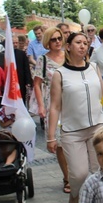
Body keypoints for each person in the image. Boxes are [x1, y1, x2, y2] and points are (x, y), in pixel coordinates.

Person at [46, 31, 103, 203]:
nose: (83, 46)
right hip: (72, 131)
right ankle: (75, 194)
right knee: (79, 173)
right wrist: (51, 136)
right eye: (78, 42)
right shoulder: (60, 73)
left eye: (85, 43)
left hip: (98, 126)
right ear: (68, 47)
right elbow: (55, 107)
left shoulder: (94, 68)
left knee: (99, 169)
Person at [33, 27, 70, 193]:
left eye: (59, 38)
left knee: (72, 139)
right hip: (53, 102)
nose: (57, 42)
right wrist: (41, 105)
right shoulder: (43, 60)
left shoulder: (68, 56)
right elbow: (37, 84)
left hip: (71, 101)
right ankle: (67, 177)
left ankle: (76, 173)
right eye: (54, 39)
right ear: (48, 41)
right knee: (60, 142)